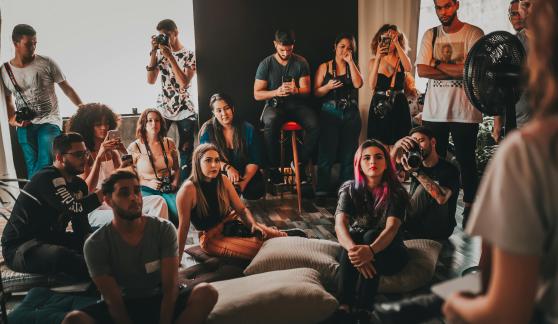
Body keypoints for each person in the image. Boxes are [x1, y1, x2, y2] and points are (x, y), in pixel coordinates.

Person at [442, 0, 558, 322]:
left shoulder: (529, 157)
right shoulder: (512, 44)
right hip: (518, 123)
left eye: (531, 4)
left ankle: (488, 274)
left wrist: (455, 308)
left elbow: (507, 309)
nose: (523, 9)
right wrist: (497, 120)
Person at [62, 170, 218, 324]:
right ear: (108, 200)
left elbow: (169, 288)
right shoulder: (96, 244)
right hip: (122, 304)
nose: (133, 197)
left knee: (206, 292)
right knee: (74, 319)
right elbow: (113, 300)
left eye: (137, 191)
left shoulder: (164, 229)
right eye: (124, 193)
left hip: (159, 297)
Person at [416, 0, 484, 225]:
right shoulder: (430, 35)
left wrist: (438, 64)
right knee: (431, 161)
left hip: (465, 111)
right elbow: (422, 69)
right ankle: (433, 208)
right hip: (434, 111)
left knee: (466, 161)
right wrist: (459, 70)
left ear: (456, 5)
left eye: (446, 6)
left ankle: (470, 208)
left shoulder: (473, 33)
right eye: (438, 7)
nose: (442, 12)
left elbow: (474, 71)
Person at [176, 144, 306, 262]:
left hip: (231, 223)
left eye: (217, 160)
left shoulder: (223, 180)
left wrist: (253, 225)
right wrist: (177, 262)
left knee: (271, 235)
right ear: (198, 163)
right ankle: (289, 249)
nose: (215, 165)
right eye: (208, 160)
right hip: (212, 238)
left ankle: (299, 243)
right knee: (260, 249)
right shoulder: (188, 190)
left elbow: (242, 210)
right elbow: (183, 229)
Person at [1, 133, 101, 279]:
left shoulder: (79, 185)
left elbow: (81, 224)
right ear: (60, 157)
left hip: (50, 238)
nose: (85, 159)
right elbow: (73, 207)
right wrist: (103, 193)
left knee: (99, 240)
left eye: (85, 153)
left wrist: (92, 242)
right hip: (21, 247)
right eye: (78, 154)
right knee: (59, 255)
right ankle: (105, 277)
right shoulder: (46, 177)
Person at [335, 139, 410, 322]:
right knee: (353, 236)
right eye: (366, 158)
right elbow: (339, 224)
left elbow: (392, 228)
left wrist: (370, 251)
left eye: (378, 157)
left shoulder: (397, 192)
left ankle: (364, 307)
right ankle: (344, 305)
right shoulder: (350, 189)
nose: (372, 162)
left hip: (392, 252)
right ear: (358, 163)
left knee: (370, 235)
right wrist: (356, 252)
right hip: (359, 249)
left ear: (386, 162)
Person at [1, 24, 83, 178]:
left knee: (46, 158)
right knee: (31, 164)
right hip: (25, 124)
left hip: (50, 120)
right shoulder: (5, 71)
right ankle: (39, 196)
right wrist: (13, 120)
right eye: (28, 44)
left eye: (35, 43)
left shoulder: (46, 63)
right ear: (15, 43)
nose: (32, 48)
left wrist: (83, 108)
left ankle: (37, 193)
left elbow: (67, 88)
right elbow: (8, 101)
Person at [67, 103, 169, 227]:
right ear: (88, 127)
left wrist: (123, 151)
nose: (104, 127)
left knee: (159, 201)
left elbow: (130, 178)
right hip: (94, 210)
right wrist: (98, 158)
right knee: (134, 215)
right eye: (98, 124)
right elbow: (88, 190)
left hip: (114, 202)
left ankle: (156, 241)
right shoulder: (84, 155)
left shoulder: (113, 154)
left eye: (107, 123)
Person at [254, 29, 319, 183]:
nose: (285, 53)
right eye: (282, 49)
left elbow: (307, 90)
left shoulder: (301, 62)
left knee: (315, 124)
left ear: (293, 46)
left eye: (289, 50)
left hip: (296, 105)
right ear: (275, 45)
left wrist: (296, 90)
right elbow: (257, 94)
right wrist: (276, 91)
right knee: (270, 123)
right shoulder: (266, 64)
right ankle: (274, 168)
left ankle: (299, 163)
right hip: (274, 105)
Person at [313, 33, 363, 199]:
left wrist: (350, 62)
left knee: (349, 153)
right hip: (330, 111)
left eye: (349, 48)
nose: (345, 50)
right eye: (342, 47)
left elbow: (358, 84)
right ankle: (321, 189)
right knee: (326, 152)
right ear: (335, 47)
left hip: (350, 112)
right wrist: (327, 87)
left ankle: (346, 190)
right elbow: (316, 92)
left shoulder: (352, 65)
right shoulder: (324, 67)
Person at [147, 19, 197, 180]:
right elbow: (150, 80)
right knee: (156, 145)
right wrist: (154, 51)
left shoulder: (189, 54)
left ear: (176, 33)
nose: (165, 39)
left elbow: (184, 83)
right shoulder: (160, 53)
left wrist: (171, 57)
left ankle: (183, 184)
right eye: (161, 36)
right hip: (164, 106)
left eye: (167, 35)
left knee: (185, 149)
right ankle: (161, 180)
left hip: (184, 106)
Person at [391, 126, 460, 240]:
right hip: (416, 222)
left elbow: (442, 198)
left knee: (425, 189)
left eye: (421, 141)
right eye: (413, 143)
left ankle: (393, 228)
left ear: (432, 142)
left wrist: (417, 172)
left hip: (439, 227)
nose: (417, 146)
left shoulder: (449, 169)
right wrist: (396, 147)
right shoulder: (413, 162)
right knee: (395, 191)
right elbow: (386, 175)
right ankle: (393, 227)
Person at [199, 93, 265, 200]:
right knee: (217, 190)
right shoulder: (208, 131)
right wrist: (227, 168)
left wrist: (243, 183)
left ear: (232, 108)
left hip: (244, 171)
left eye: (226, 108)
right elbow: (205, 159)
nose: (224, 113)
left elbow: (255, 159)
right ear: (213, 113)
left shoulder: (248, 128)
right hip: (220, 172)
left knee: (255, 190)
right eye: (219, 110)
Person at [128, 109, 180, 226]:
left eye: (157, 121)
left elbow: (176, 168)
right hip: (146, 188)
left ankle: (170, 240)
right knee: (157, 216)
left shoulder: (169, 143)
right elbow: (129, 176)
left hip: (167, 187)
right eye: (149, 120)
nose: (154, 124)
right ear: (143, 124)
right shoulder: (135, 146)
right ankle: (154, 240)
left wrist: (175, 182)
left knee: (177, 214)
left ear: (161, 123)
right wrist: (147, 183)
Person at [492, 0, 532, 143]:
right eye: (513, 13)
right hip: (519, 117)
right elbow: (500, 84)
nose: (518, 16)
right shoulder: (510, 44)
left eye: (526, 7)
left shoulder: (548, 39)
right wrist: (497, 121)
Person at [368, 24, 413, 145]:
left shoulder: (402, 59)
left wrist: (397, 43)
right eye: (385, 38)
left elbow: (408, 68)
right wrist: (378, 58)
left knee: (401, 142)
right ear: (379, 40)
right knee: (379, 143)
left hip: (399, 103)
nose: (389, 41)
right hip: (379, 105)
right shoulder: (373, 61)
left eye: (392, 38)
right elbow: (371, 85)